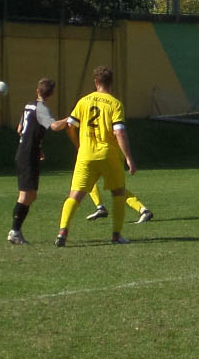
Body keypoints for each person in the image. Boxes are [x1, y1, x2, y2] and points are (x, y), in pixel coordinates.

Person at [55, 67, 152, 245]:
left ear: (95, 82)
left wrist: (78, 145)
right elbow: (119, 132)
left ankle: (62, 233)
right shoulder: (115, 104)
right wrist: (129, 157)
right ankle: (116, 235)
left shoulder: (84, 101)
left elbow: (69, 126)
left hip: (86, 154)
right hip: (109, 155)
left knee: (75, 195)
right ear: (111, 82)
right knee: (118, 193)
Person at [8, 78, 63, 244]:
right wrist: (71, 119)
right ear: (52, 94)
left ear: (38, 90)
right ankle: (14, 232)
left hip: (25, 152)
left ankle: (16, 231)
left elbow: (20, 129)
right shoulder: (42, 109)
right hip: (27, 155)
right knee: (25, 195)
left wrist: (36, 146)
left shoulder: (29, 106)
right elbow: (54, 127)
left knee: (32, 195)